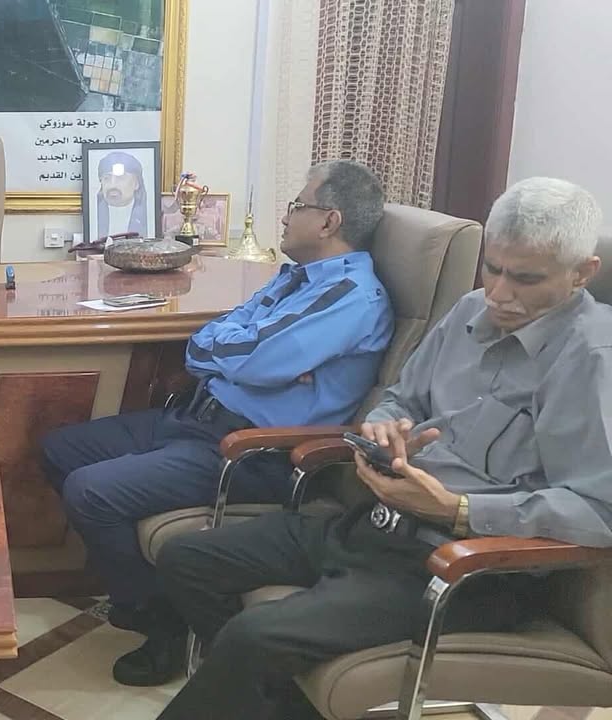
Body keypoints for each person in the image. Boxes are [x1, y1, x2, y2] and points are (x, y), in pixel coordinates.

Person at [140, 176, 612, 720]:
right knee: (187, 559)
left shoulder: (591, 359)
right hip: (377, 525)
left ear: (583, 273)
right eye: (493, 268)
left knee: (255, 636)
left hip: (462, 570)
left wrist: (459, 510)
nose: (500, 294)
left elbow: (598, 510)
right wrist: (384, 429)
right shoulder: (470, 312)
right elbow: (401, 397)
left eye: (526, 279)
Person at [42, 159, 394, 643]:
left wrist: (240, 354)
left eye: (297, 206)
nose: (285, 216)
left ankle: (158, 619)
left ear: (329, 221)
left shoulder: (350, 296)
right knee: (60, 449)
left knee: (89, 491)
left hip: (253, 450)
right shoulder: (297, 278)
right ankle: (144, 592)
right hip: (198, 417)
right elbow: (215, 341)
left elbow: (255, 357)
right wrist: (239, 355)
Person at [95, 150, 149, 238]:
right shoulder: (94, 216)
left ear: (136, 183)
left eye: (120, 178)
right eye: (107, 178)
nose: (112, 185)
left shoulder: (148, 217)